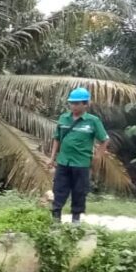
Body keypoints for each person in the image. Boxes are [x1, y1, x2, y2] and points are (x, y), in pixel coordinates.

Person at [47, 87, 108, 224]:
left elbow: (104, 139)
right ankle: (56, 220)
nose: (73, 106)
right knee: (59, 190)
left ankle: (76, 221)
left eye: (77, 103)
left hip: (81, 163)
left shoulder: (93, 121)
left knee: (79, 192)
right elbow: (57, 138)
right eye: (71, 103)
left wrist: (98, 156)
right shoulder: (63, 118)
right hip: (63, 162)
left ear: (85, 104)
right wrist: (52, 158)